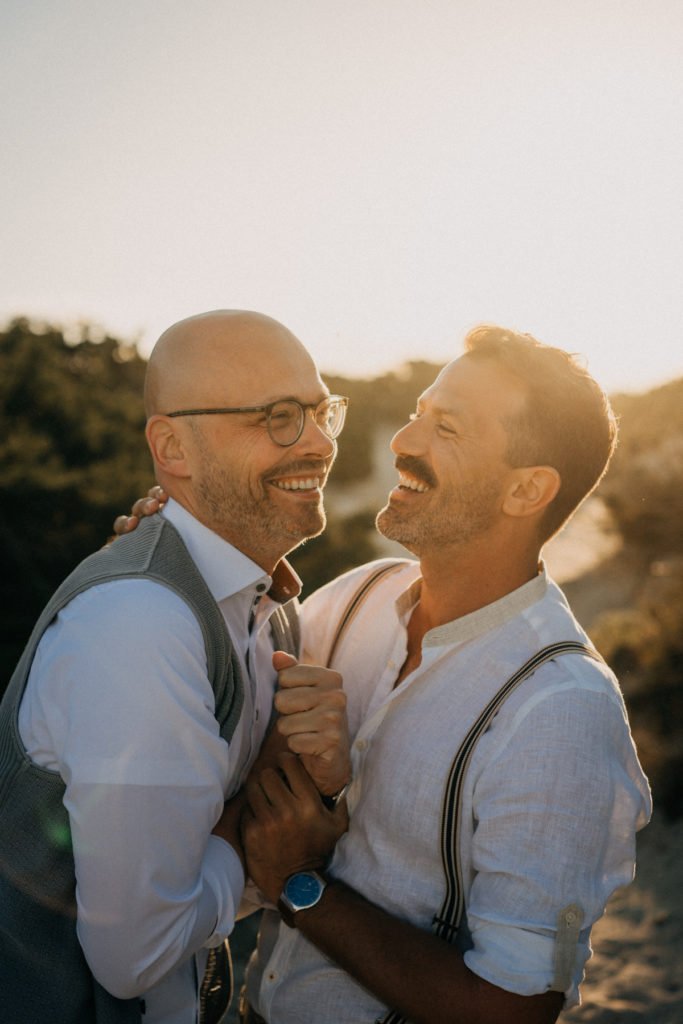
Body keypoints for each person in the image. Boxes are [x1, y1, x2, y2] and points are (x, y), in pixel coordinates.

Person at [234, 326, 652, 1024]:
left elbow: (511, 1009)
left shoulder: (560, 710)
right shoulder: (360, 594)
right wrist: (169, 565)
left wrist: (301, 886)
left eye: (445, 428)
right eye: (418, 411)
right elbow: (228, 698)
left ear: (526, 490)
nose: (402, 440)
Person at [0, 310, 351, 1024]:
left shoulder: (266, 605)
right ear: (172, 447)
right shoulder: (140, 626)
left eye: (320, 411)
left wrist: (317, 792)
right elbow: (138, 957)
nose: (317, 442)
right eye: (276, 417)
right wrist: (266, 816)